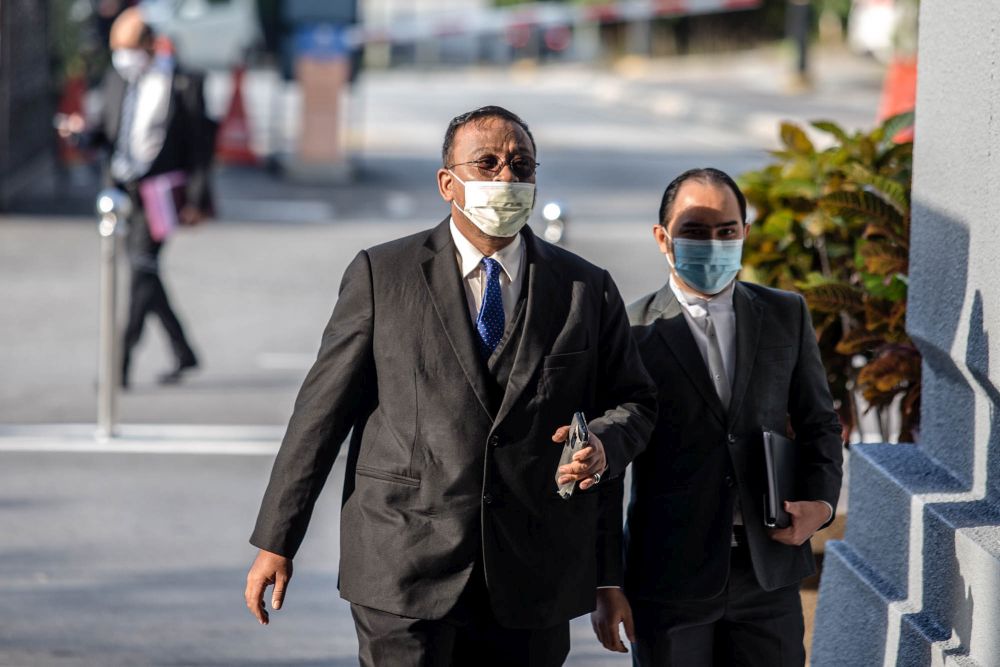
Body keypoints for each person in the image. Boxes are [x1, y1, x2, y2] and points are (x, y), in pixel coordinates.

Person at [243, 106, 657, 667]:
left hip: (531, 574)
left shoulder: (585, 287)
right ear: (448, 183)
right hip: (403, 567)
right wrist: (277, 539)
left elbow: (634, 402)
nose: (505, 179)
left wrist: (604, 444)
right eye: (486, 164)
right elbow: (321, 415)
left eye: (520, 165)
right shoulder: (382, 275)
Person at [590, 168, 843, 666]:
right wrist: (606, 582)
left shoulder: (785, 314)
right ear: (663, 238)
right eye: (695, 231)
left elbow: (819, 423)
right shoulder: (632, 330)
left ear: (744, 233)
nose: (713, 243)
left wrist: (822, 504)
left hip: (767, 573)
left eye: (726, 230)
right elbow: (606, 467)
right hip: (668, 581)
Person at [81, 8, 213, 387]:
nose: (124, 58)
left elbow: (199, 148)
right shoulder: (117, 78)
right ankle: (183, 350)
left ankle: (117, 366)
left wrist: (196, 199)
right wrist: (80, 136)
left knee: (140, 272)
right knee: (146, 274)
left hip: (161, 191)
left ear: (149, 46)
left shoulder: (183, 81)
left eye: (130, 50)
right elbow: (103, 131)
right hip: (122, 191)